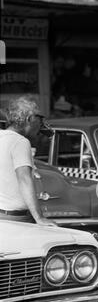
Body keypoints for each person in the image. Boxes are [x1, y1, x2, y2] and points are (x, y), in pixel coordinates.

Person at [0, 96, 57, 226]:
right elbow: (24, 178)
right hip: (17, 218)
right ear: (30, 119)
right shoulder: (20, 142)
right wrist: (39, 218)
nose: (42, 124)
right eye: (40, 119)